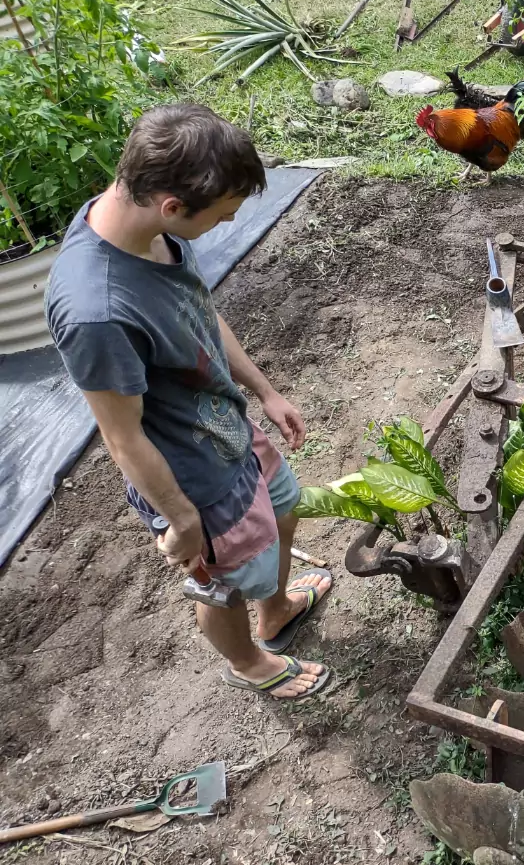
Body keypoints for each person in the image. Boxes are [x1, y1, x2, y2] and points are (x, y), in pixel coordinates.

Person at [45, 104, 334, 701]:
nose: (225, 225)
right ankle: (248, 662)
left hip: (226, 425)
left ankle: (276, 611)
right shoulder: (96, 311)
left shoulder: (150, 230)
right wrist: (180, 519)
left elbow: (197, 312)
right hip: (190, 474)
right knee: (226, 580)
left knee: (284, 508)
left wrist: (264, 389)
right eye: (223, 216)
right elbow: (123, 438)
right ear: (172, 205)